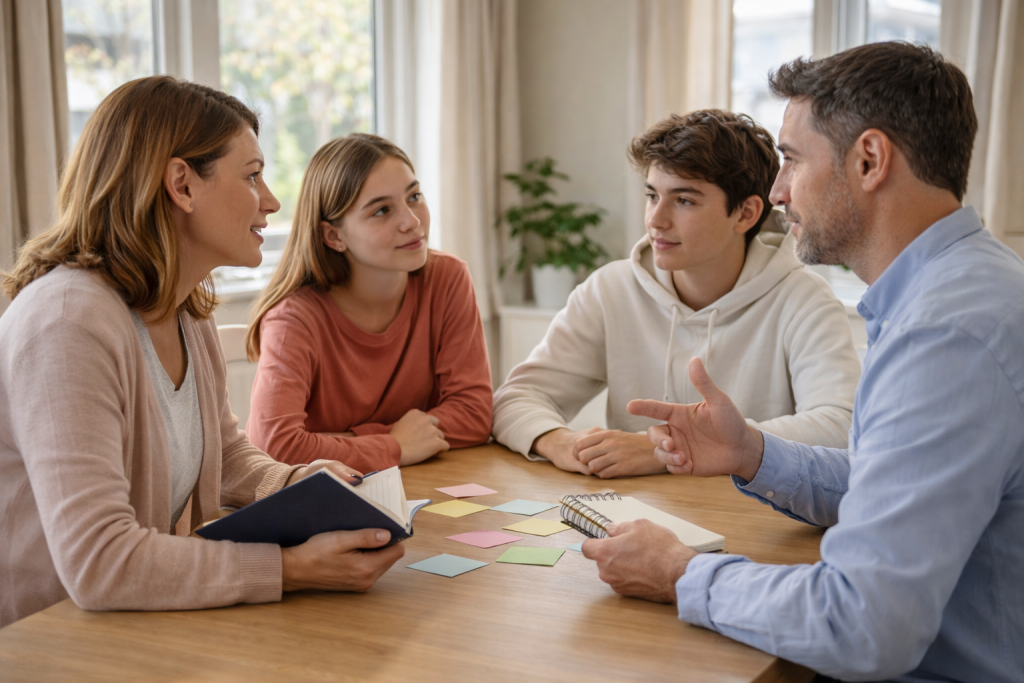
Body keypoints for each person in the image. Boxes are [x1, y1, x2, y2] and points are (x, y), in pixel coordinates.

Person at [583, 43, 1024, 682]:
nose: (778, 190)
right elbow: (898, 485)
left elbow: (861, 625)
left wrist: (681, 572)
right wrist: (755, 455)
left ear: (870, 160)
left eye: (790, 160)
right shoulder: (966, 284)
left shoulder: (945, 331)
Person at [0, 77, 405, 628]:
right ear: (181, 185)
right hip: (45, 640)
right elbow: (99, 560)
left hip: (130, 626)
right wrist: (289, 569)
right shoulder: (68, 322)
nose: (272, 201)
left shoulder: (186, 307)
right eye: (253, 176)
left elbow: (224, 457)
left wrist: (297, 480)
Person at [492, 110, 860, 478]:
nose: (656, 219)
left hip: (753, 516)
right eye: (653, 195)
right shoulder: (610, 290)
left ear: (745, 214)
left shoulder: (804, 299)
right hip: (635, 513)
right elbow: (515, 399)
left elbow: (841, 425)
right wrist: (561, 442)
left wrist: (672, 449)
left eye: (684, 200)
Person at [245, 134, 492, 473]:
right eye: (382, 210)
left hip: (426, 486)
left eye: (414, 196)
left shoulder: (448, 278)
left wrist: (346, 440)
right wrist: (394, 445)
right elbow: (273, 447)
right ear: (334, 236)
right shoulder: (294, 319)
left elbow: (474, 413)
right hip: (332, 503)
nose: (412, 221)